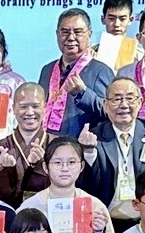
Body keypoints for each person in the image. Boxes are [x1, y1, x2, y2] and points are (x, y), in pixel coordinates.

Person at [17, 137, 115, 233]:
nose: (64, 168)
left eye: (71, 162)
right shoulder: (29, 208)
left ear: (81, 166)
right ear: (46, 167)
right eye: (57, 163)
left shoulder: (95, 205)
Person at [80, 77, 145, 215]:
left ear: (140, 102)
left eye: (130, 98)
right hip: (106, 217)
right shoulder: (93, 137)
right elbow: (88, 185)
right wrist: (89, 152)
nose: (124, 105)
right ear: (106, 105)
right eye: (117, 99)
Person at [38, 9, 113, 138]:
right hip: (46, 143)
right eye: (65, 32)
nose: (71, 37)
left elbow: (110, 111)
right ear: (57, 34)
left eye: (78, 32)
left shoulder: (101, 71)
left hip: (80, 145)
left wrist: (83, 93)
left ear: (89, 34)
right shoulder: (47, 70)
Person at [0, 82, 54, 205]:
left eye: (35, 106)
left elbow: (65, 184)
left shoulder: (56, 145)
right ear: (13, 108)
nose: (30, 112)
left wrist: (41, 165)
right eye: (23, 107)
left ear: (45, 107)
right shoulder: (2, 147)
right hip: (12, 212)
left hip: (47, 211)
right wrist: (5, 170)